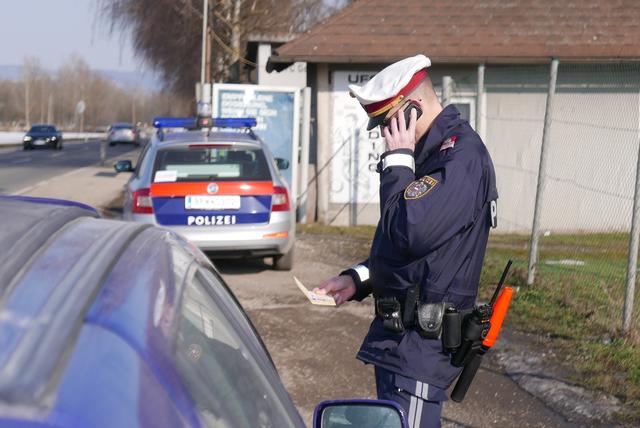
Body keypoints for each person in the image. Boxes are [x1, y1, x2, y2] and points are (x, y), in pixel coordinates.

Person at [314, 54, 498, 428]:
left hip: (421, 349)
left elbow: (409, 233)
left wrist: (397, 163)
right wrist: (358, 279)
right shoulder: (431, 155)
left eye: (385, 122)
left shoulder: (457, 158)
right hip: (403, 345)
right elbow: (405, 250)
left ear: (411, 110)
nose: (384, 135)